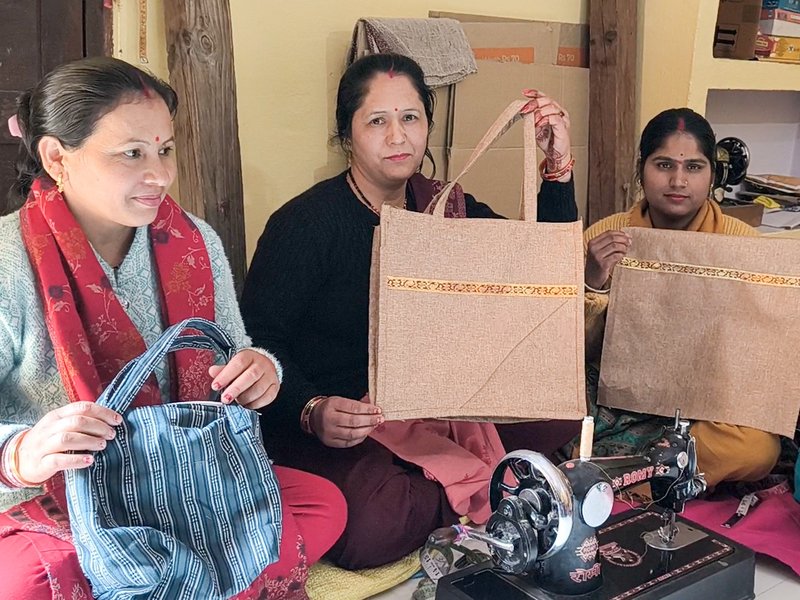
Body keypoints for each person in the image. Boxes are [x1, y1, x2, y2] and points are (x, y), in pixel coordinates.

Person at [0, 56, 345, 599]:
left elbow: (237, 351)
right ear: (57, 157)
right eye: (132, 153)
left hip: (182, 473)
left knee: (323, 503)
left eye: (165, 150)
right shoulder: (8, 259)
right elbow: (18, 456)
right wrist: (21, 452)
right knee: (33, 580)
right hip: (63, 492)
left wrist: (260, 372)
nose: (159, 175)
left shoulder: (195, 241)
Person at [240, 52, 580, 570]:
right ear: (347, 134)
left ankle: (462, 480)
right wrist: (312, 409)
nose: (397, 136)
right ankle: (496, 485)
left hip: (438, 399)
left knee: (562, 413)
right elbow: (257, 343)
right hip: (348, 416)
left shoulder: (445, 208)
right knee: (371, 526)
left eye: (410, 117)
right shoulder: (305, 225)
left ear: (427, 125)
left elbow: (535, 264)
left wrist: (557, 168)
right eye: (377, 121)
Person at [578, 107, 780, 487]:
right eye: (664, 164)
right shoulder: (606, 236)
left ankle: (633, 475)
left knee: (757, 449)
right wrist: (594, 282)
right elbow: (572, 349)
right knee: (544, 412)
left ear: (712, 175)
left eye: (694, 167)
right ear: (641, 170)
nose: (678, 180)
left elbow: (763, 352)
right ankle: (663, 468)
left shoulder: (742, 246)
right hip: (619, 398)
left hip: (707, 403)